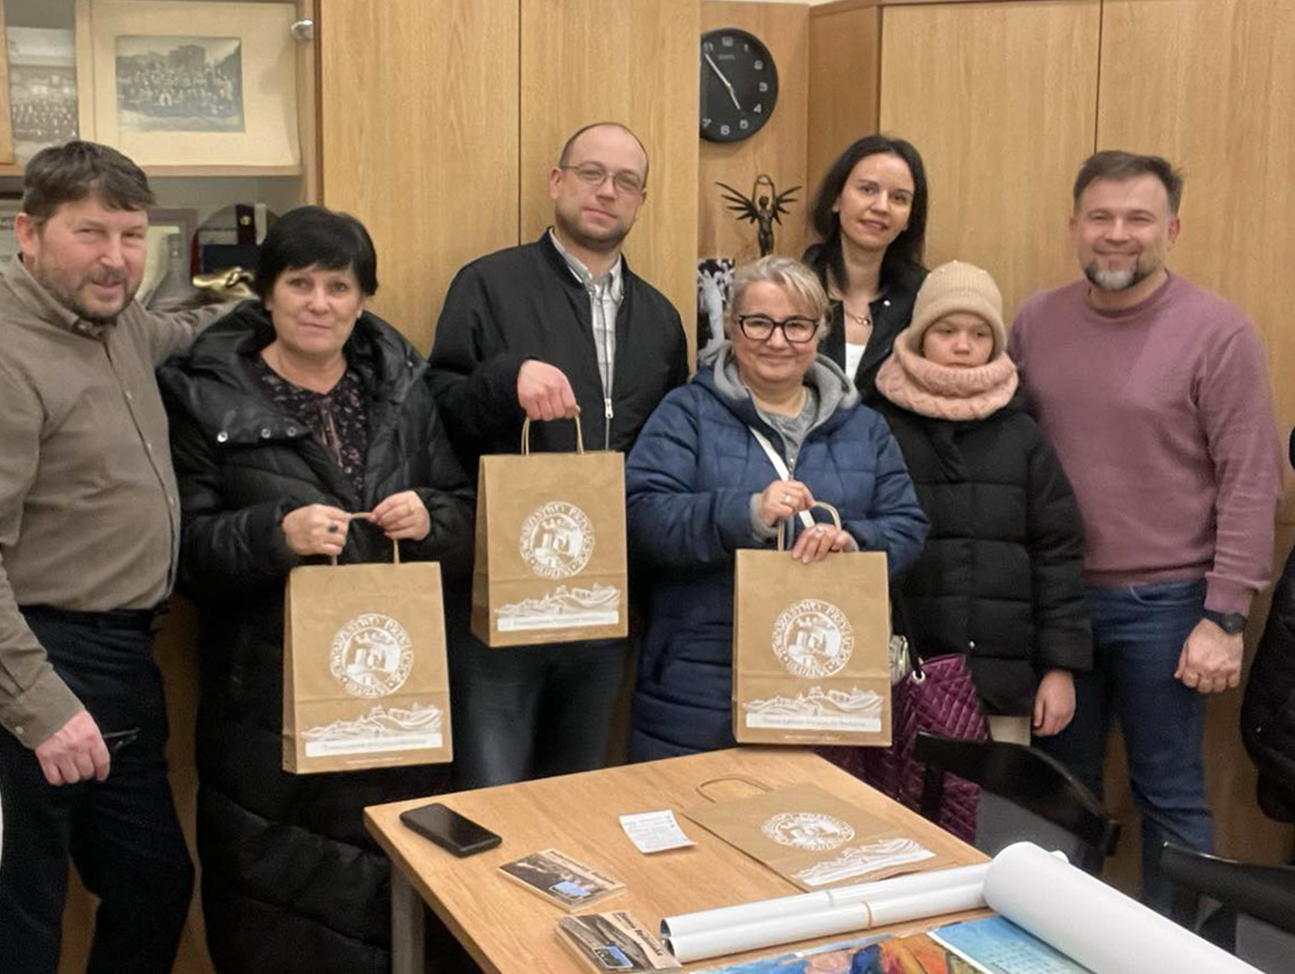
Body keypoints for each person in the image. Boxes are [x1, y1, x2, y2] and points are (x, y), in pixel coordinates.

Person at [0, 140, 218, 974]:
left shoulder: (119, 327)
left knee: (153, 887)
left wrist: (283, 311)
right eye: (91, 233)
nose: (117, 257)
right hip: (32, 661)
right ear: (28, 233)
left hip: (122, 661)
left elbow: (188, 331)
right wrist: (39, 707)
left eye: (133, 235)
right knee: (22, 924)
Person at [159, 206, 473, 974]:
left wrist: (432, 520)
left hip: (386, 700)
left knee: (362, 933)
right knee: (263, 924)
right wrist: (275, 535)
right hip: (264, 709)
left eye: (339, 286)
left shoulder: (402, 388)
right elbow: (181, 553)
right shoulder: (203, 394)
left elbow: (464, 515)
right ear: (267, 293)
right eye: (300, 283)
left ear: (364, 299)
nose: (319, 303)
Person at [1010, 150, 1280, 913]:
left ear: (1172, 228)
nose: (1118, 233)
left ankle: (1176, 963)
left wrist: (1225, 616)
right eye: (1101, 217)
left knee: (1169, 793)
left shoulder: (1219, 333)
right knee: (1058, 795)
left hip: (1168, 606)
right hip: (1057, 603)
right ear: (1075, 225)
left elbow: (1251, 478)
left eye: (1138, 218)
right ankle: (1062, 947)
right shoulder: (1035, 321)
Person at [427, 120, 689, 788]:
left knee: (577, 795)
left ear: (641, 201)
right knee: (491, 802)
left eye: (626, 181)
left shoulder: (661, 319)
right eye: (591, 173)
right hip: (504, 598)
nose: (607, 191)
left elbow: (671, 450)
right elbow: (438, 409)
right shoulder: (487, 284)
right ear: (556, 181)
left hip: (603, 604)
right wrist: (506, 379)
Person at [625, 254, 927, 758]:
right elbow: (639, 517)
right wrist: (745, 515)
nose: (778, 340)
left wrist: (853, 542)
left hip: (828, 679)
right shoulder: (686, 413)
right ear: (731, 326)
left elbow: (907, 527)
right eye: (759, 322)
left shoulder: (865, 428)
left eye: (796, 325)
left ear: (821, 331)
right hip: (700, 682)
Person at [869, 261, 1091, 742]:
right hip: (896, 682)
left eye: (979, 333)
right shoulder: (877, 426)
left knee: (996, 794)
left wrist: (1060, 667)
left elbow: (1057, 554)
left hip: (1000, 687)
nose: (963, 346)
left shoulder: (1022, 434)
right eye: (946, 330)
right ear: (920, 336)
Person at [802, 135, 930, 400]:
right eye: (867, 190)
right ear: (836, 199)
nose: (881, 207)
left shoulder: (926, 299)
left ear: (909, 218)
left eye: (899, 198)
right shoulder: (792, 290)